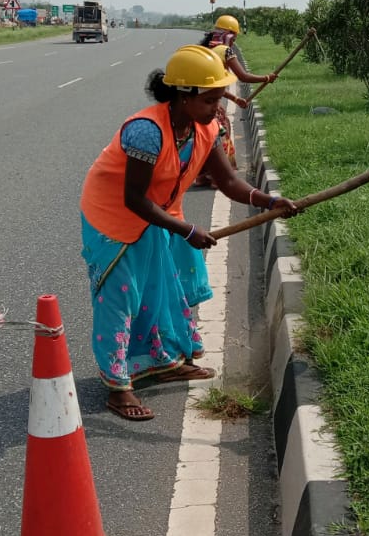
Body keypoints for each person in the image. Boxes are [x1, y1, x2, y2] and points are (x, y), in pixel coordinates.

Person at [80, 44, 301, 421]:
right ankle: (118, 388)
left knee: (163, 290)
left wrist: (268, 201)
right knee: (121, 299)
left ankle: (162, 361)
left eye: (219, 98)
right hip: (113, 218)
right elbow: (134, 199)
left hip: (157, 216)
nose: (218, 107)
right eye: (210, 99)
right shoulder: (145, 133)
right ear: (183, 96)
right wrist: (186, 230)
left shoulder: (205, 128)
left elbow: (228, 181)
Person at [195, 14, 277, 185]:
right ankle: (216, 176)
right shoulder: (226, 51)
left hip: (199, 102)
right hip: (210, 103)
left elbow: (215, 84)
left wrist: (235, 98)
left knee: (205, 135)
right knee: (219, 133)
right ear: (231, 35)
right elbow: (243, 76)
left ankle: (203, 175)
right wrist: (266, 78)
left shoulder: (207, 50)